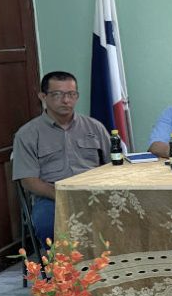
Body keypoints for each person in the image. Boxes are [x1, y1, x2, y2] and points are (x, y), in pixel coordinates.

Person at [12, 71, 111, 248]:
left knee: (127, 214)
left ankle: (110, 262)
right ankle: (63, 265)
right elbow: (29, 181)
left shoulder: (95, 127)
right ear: (43, 96)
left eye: (71, 94)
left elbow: (113, 166)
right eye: (58, 94)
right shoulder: (27, 134)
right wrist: (64, 195)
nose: (66, 100)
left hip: (94, 192)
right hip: (52, 196)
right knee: (47, 223)